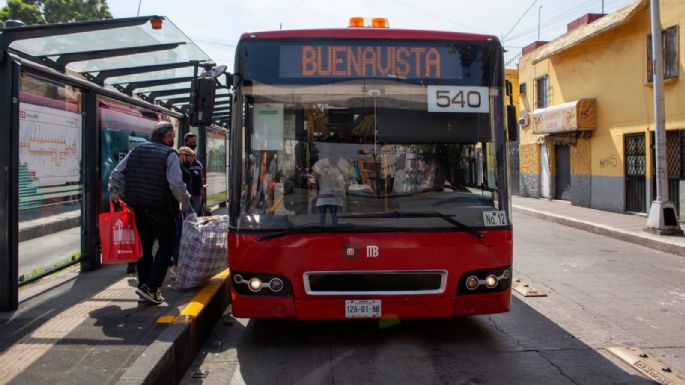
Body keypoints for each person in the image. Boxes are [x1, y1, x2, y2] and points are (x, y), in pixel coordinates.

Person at [109, 122, 190, 305]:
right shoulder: (170, 155)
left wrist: (116, 194)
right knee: (166, 246)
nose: (173, 139)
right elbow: (175, 184)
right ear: (167, 136)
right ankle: (152, 288)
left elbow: (117, 173)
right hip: (161, 209)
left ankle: (144, 284)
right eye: (173, 136)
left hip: (138, 208)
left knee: (144, 248)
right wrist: (184, 202)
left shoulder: (136, 151)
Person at [311, 152, 351, 225]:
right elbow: (312, 179)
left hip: (334, 196)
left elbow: (347, 180)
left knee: (334, 215)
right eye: (332, 157)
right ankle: (322, 229)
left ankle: (334, 229)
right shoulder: (321, 164)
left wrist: (345, 185)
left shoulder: (341, 166)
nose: (335, 159)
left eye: (336, 157)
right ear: (329, 156)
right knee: (323, 215)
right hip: (323, 195)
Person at [183, 133, 205, 214]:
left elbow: (200, 172)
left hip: (197, 192)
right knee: (188, 214)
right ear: (185, 143)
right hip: (186, 192)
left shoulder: (197, 155)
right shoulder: (181, 155)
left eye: (195, 142)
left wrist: (202, 189)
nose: (193, 144)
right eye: (191, 142)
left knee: (195, 213)